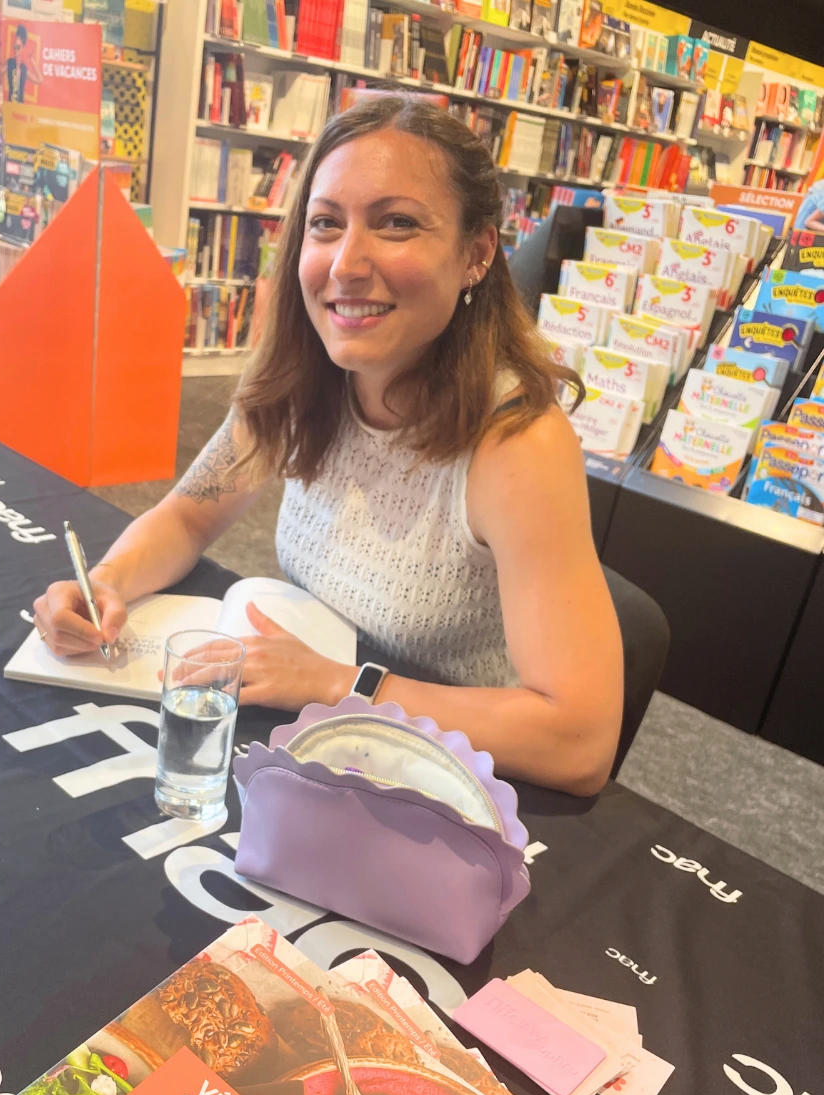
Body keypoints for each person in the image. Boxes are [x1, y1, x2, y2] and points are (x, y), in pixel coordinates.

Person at [34, 97, 623, 795]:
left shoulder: (516, 441)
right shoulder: (304, 372)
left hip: (431, 786)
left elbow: (579, 740)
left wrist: (343, 686)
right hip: (312, 744)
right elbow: (191, 513)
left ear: (476, 254)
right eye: (325, 225)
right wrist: (105, 583)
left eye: (396, 224)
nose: (346, 263)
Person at [6, 24, 42, 105]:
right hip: (9, 108)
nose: (15, 49)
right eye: (14, 46)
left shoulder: (24, 69)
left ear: (23, 48)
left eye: (18, 47)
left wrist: (32, 61)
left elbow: (40, 80)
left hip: (20, 110)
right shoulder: (9, 63)